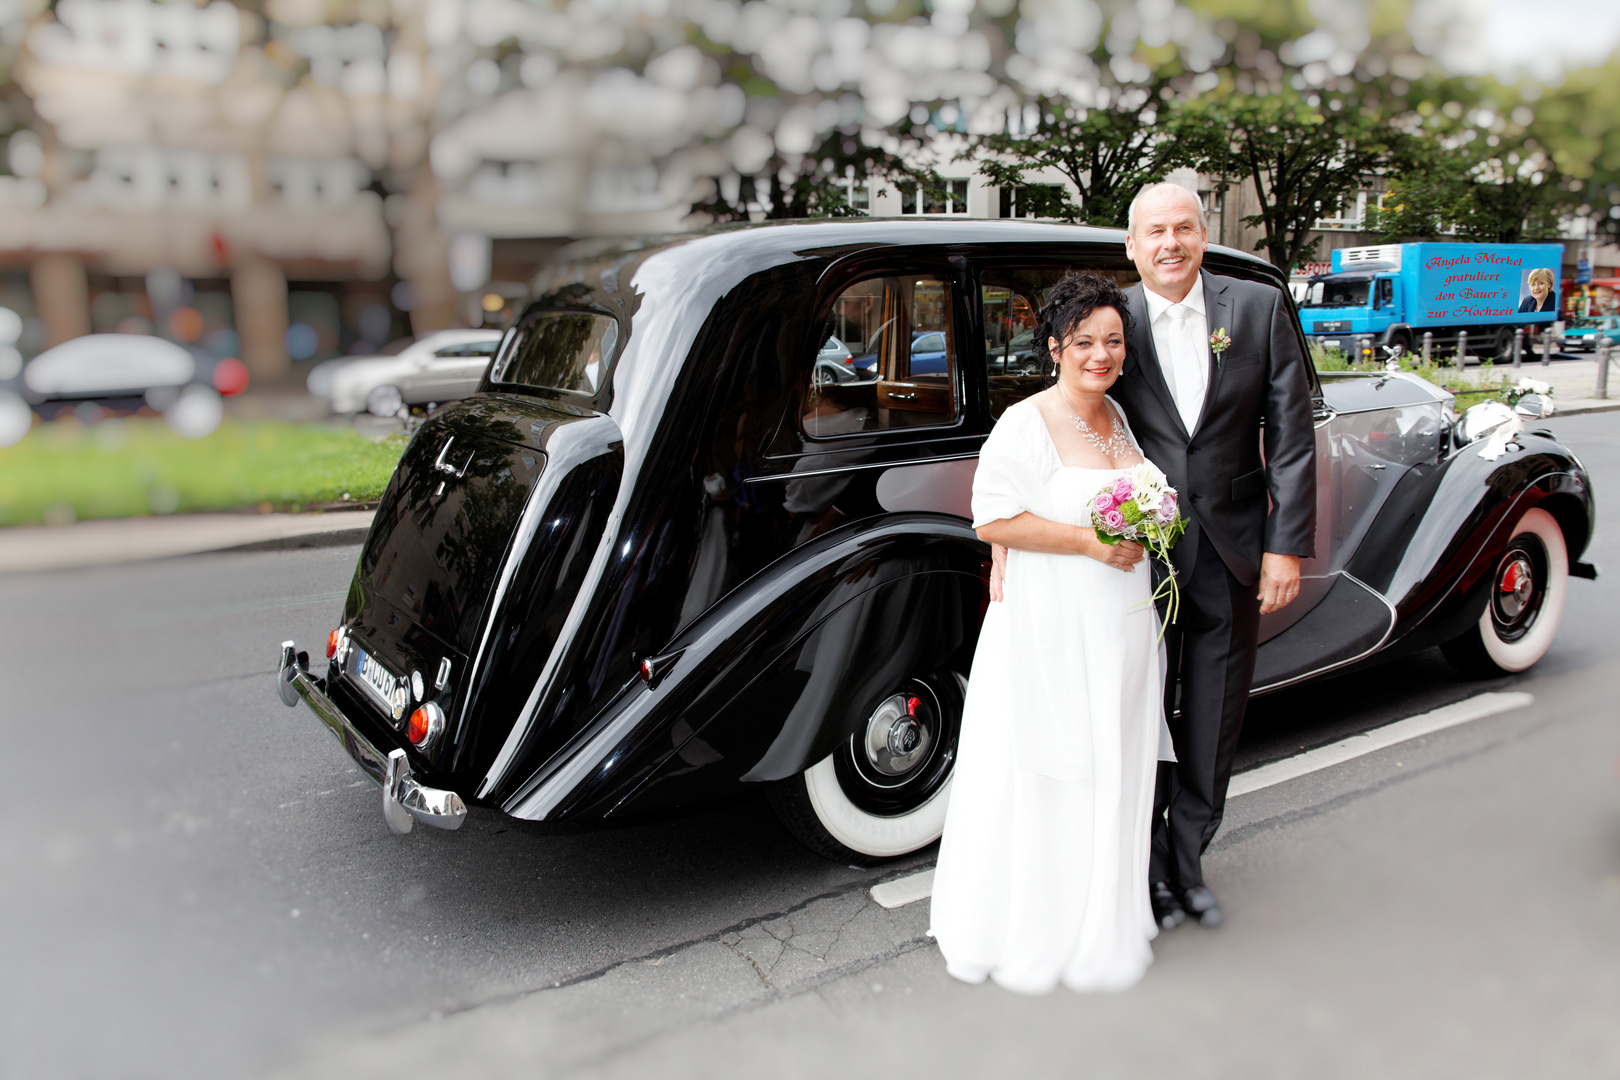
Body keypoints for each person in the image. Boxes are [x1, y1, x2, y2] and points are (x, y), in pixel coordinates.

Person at [928, 272, 1174, 994]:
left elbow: (1137, 499)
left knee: (1114, 757)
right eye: (1085, 342)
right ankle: (1042, 924)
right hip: (1054, 624)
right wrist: (1089, 543)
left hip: (1122, 621)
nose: (1100, 354)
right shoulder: (1026, 421)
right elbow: (994, 520)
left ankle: (1106, 918)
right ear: (1055, 347)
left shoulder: (1118, 418)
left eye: (1113, 342)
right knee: (1056, 763)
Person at [1110, 181, 1317, 931]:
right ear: (1131, 245)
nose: (1171, 243)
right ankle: (1140, 874)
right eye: (1154, 231)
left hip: (1232, 553)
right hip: (1136, 561)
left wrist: (1285, 545)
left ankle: (1187, 867)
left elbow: (1290, 434)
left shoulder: (1256, 309)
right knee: (1137, 719)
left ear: (1203, 235)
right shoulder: (1113, 321)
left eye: (1184, 228)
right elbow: (1071, 418)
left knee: (1210, 721)